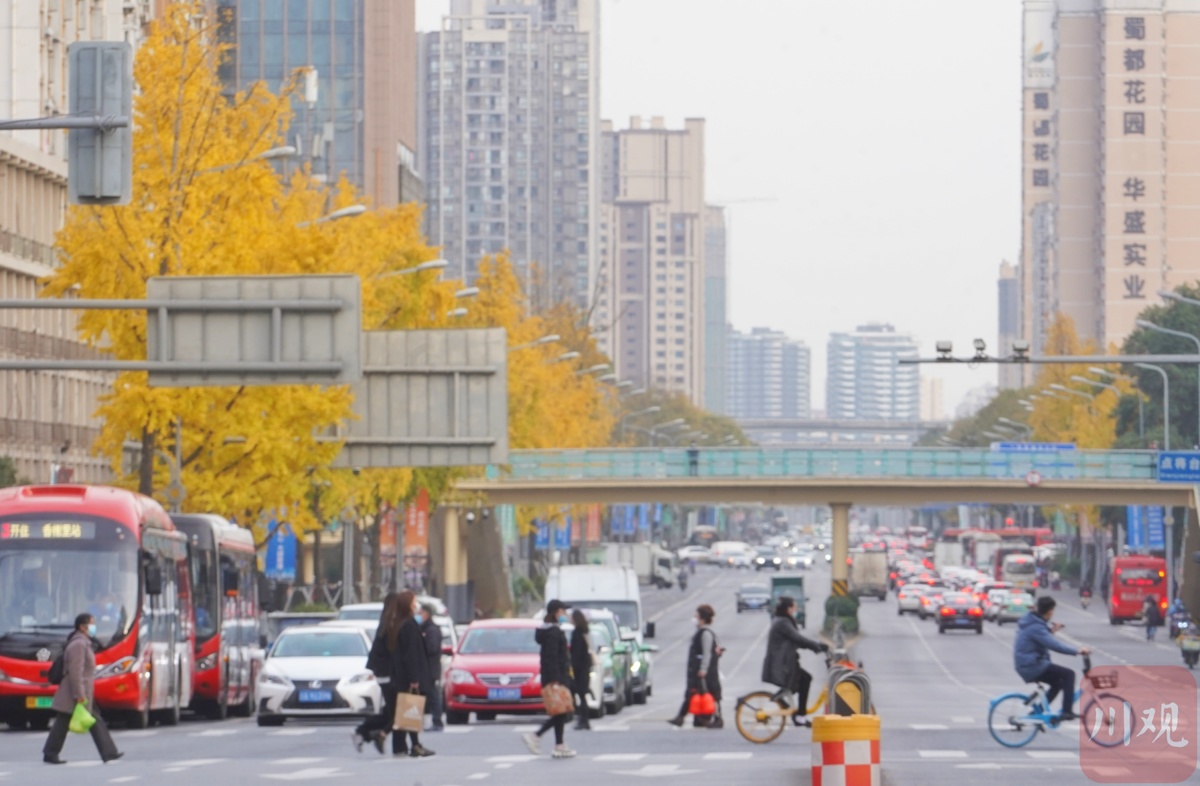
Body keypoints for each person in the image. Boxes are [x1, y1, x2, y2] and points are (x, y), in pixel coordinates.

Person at [42, 613, 122, 765]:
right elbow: (75, 671)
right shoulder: (79, 644)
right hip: (75, 691)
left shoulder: (84, 642)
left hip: (82, 690)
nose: (93, 627)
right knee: (63, 722)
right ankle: (50, 753)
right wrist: (79, 694)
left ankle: (109, 752)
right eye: (91, 624)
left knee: (94, 720)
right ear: (82, 626)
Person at [1014, 596, 1090, 720]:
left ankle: (1036, 714)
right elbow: (1054, 645)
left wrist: (1051, 630)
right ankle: (1067, 711)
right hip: (1031, 666)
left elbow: (1040, 637)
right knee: (1069, 674)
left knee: (1058, 683)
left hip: (1028, 664)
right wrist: (1077, 651)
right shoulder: (1036, 627)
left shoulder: (1033, 621)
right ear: (1050, 611)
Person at [762, 596, 829, 725]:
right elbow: (798, 639)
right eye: (794, 607)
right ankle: (800, 716)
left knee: (801, 681)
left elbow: (797, 641)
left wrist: (817, 646)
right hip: (782, 665)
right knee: (806, 679)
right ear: (788, 609)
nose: (796, 609)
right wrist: (817, 646)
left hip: (783, 663)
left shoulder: (781, 620)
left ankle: (783, 700)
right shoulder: (783, 623)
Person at [523, 600, 576, 758]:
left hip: (556, 677)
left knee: (560, 711)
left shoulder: (551, 631)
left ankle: (559, 745)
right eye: (563, 611)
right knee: (561, 712)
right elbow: (552, 657)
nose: (565, 615)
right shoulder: (553, 632)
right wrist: (555, 680)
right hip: (555, 678)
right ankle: (536, 736)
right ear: (556, 612)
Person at [352, 592, 401, 754]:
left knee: (390, 711)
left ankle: (368, 733)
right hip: (388, 674)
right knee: (395, 712)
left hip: (384, 673)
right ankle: (368, 732)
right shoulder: (390, 625)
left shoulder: (386, 622)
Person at [667, 604, 725, 729]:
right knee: (694, 693)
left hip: (706, 672)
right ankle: (690, 718)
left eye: (696, 616)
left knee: (710, 694)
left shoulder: (705, 633)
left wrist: (703, 669)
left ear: (702, 619)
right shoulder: (701, 632)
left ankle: (716, 718)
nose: (694, 618)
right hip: (699, 670)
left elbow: (707, 653)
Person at [418, 603, 444, 731]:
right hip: (426, 669)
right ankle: (421, 721)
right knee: (426, 695)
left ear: (426, 614)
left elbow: (432, 648)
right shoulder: (424, 628)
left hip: (430, 669)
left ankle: (437, 721)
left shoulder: (431, 630)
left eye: (420, 613)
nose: (419, 616)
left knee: (433, 696)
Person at [569, 609, 593, 731]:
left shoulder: (577, 634)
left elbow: (576, 654)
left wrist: (573, 669)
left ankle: (583, 720)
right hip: (585, 669)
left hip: (580, 671)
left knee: (581, 697)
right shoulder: (583, 633)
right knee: (582, 697)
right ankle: (584, 720)